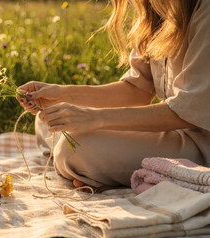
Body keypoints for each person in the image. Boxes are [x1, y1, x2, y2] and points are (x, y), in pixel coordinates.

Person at [17, 0, 210, 191]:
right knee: (48, 118)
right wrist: (61, 94)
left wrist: (94, 119)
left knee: (73, 150)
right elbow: (137, 90)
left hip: (202, 144)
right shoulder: (155, 8)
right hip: (172, 130)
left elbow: (185, 113)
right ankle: (97, 171)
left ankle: (94, 171)